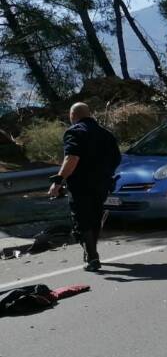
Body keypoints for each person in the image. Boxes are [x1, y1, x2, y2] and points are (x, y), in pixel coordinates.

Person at [47, 103, 121, 272]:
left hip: (81, 184)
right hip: (102, 183)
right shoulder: (106, 134)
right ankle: (91, 252)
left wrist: (58, 180)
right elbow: (117, 158)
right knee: (95, 216)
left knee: (81, 219)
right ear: (89, 114)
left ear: (73, 116)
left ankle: (92, 256)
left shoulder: (74, 132)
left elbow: (72, 158)